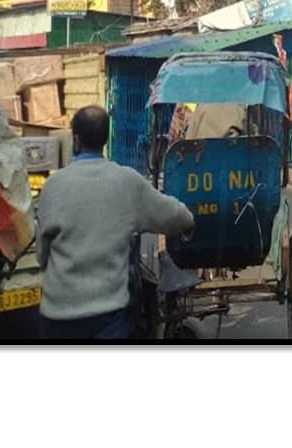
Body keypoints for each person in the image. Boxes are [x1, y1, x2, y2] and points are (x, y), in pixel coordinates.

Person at [38, 106, 194, 339]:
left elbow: (42, 255)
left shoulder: (52, 186)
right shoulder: (127, 181)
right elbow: (175, 215)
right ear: (105, 139)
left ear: (76, 140)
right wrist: (189, 219)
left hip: (57, 318)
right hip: (109, 319)